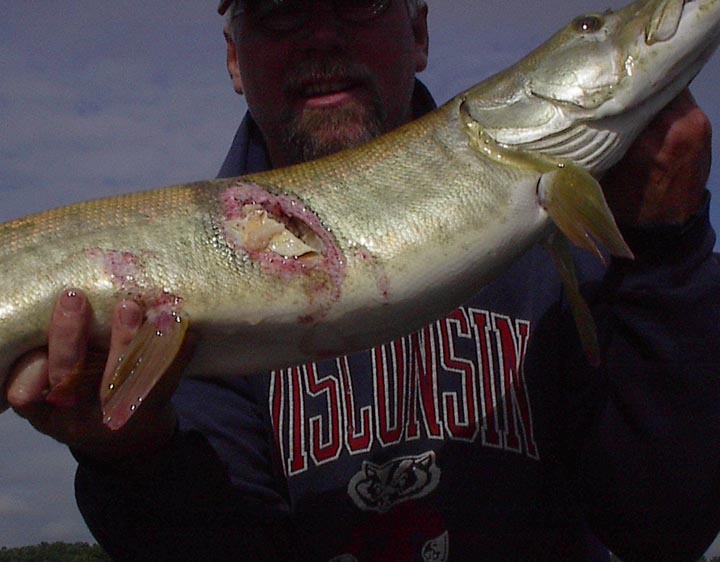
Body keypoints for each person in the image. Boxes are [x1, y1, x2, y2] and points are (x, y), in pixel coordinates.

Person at [6, 1, 720, 560]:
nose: (322, 36)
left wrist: (668, 253)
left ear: (419, 33)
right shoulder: (185, 293)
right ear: (233, 58)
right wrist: (131, 458)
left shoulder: (586, 241)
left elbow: (663, 528)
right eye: (280, 8)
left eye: (360, 1)